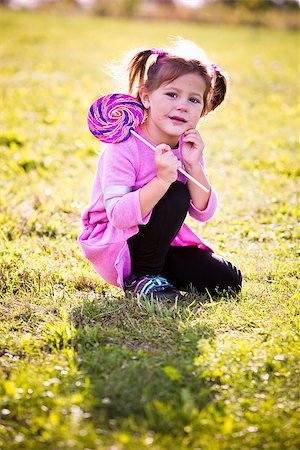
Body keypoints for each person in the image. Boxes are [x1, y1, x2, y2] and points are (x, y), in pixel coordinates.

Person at [78, 38, 242, 300]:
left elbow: (203, 212)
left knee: (228, 281)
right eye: (172, 94)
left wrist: (192, 165)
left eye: (194, 100)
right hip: (119, 243)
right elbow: (119, 216)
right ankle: (144, 278)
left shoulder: (186, 145)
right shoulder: (124, 147)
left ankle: (156, 273)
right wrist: (162, 180)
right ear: (146, 97)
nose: (182, 105)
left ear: (204, 108)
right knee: (175, 192)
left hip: (160, 243)